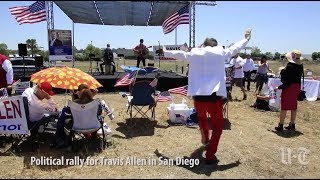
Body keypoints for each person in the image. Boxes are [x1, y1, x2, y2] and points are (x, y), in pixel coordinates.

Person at [162, 29, 252, 164]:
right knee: (217, 127)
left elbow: (180, 54)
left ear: (204, 44)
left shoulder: (195, 53)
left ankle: (205, 138)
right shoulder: (221, 52)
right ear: (215, 45)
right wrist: (246, 38)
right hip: (214, 98)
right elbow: (236, 47)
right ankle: (210, 155)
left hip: (198, 97)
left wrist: (164, 51)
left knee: (202, 118)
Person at [274, 50, 303, 132]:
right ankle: (292, 124)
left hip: (289, 88)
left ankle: (280, 125)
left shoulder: (290, 66)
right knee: (294, 107)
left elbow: (286, 81)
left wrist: (279, 86)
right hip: (297, 87)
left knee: (284, 107)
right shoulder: (300, 65)